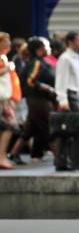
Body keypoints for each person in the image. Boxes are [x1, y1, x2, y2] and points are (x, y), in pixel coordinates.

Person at [10, 38, 56, 165]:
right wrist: (48, 88)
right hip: (38, 99)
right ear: (39, 50)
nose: (49, 49)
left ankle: (14, 153)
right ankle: (60, 158)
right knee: (49, 127)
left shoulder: (40, 62)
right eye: (46, 46)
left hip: (37, 99)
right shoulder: (36, 63)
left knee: (29, 129)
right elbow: (31, 81)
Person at [54, 32, 79, 171]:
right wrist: (63, 100)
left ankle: (62, 163)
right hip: (69, 97)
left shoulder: (75, 58)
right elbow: (61, 81)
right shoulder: (65, 59)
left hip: (75, 96)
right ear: (70, 42)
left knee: (68, 132)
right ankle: (76, 163)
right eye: (78, 40)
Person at [0, 32, 20, 170]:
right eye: (6, 41)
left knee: (8, 127)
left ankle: (2, 156)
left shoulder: (4, 58)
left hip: (5, 99)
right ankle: (1, 157)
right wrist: (8, 68)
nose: (9, 43)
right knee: (8, 126)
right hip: (2, 100)